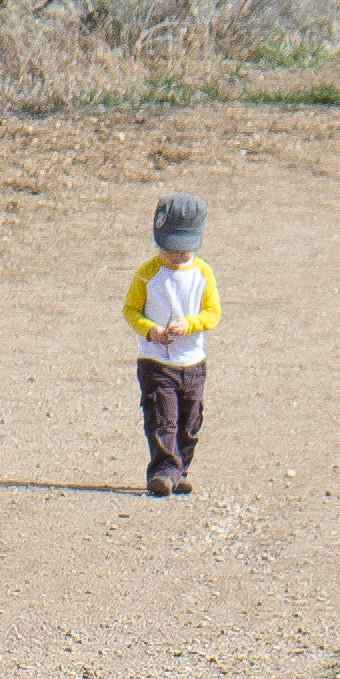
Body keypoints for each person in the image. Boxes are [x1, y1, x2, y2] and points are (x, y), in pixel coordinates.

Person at [122, 193, 219, 498]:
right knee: (162, 417)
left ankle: (180, 470)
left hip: (192, 360)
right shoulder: (147, 273)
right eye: (167, 248)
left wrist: (190, 324)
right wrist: (150, 331)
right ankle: (163, 471)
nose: (174, 256)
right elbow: (131, 310)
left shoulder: (202, 272)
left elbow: (213, 312)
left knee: (190, 421)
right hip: (156, 360)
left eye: (181, 250)